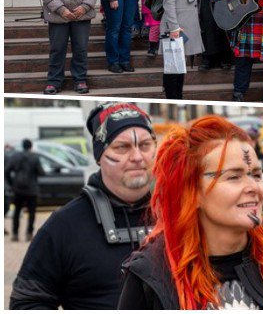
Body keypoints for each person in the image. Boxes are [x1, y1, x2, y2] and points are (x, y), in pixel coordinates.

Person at [118, 116, 263, 309]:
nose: (254, 188)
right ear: (191, 191)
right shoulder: (152, 275)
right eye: (233, 177)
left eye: (256, 175)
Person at [9, 102, 156, 309]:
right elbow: (26, 303)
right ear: (99, 157)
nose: (137, 157)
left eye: (145, 145)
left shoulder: (179, 215)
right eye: (122, 147)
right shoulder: (64, 226)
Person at [160, 0, 205, 99]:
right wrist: (173, 28)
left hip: (188, 25)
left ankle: (176, 96)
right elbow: (168, 2)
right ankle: (173, 99)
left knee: (180, 68)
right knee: (174, 70)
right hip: (176, 27)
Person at [5, 139, 44, 242]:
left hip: (18, 189)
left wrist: (11, 183)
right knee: (31, 212)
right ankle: (29, 233)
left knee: (17, 211)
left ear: (22, 146)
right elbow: (41, 172)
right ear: (31, 146)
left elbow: (6, 171)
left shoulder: (15, 156)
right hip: (31, 189)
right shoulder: (35, 157)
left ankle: (15, 234)